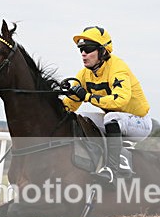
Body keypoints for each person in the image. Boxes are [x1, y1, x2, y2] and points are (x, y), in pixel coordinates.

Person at [62, 26, 152, 183]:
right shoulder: (84, 74)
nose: (83, 53)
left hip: (139, 123)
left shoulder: (118, 68)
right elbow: (70, 105)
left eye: (88, 49)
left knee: (112, 117)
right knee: (79, 118)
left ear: (103, 51)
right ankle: (93, 160)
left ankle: (112, 170)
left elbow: (119, 100)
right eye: (80, 49)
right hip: (115, 120)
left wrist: (88, 96)